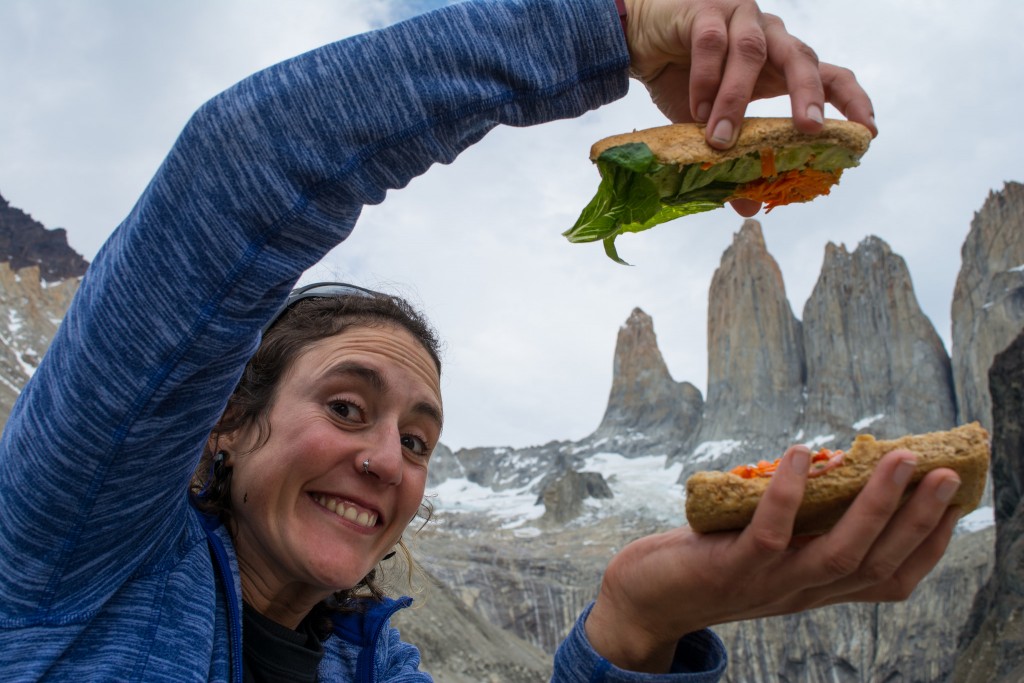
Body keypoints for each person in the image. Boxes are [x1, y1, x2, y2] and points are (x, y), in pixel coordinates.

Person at [0, 0, 962, 680]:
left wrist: (640, 619)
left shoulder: (373, 665)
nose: (386, 460)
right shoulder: (74, 544)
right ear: (226, 424)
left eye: (417, 441)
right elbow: (232, 171)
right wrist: (616, 27)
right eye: (347, 407)